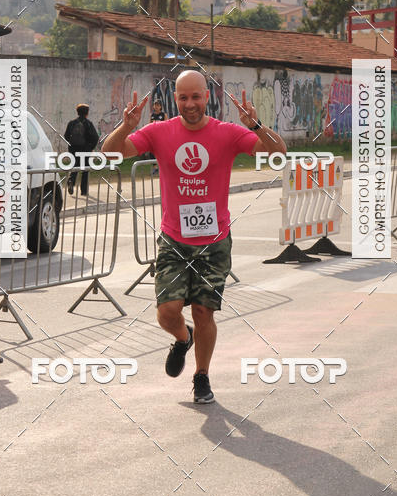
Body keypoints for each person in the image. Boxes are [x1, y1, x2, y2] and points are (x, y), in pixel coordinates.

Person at [103, 70, 286, 404]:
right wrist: (126, 126)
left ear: (207, 97)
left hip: (215, 240)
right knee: (167, 311)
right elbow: (110, 154)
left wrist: (255, 126)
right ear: (176, 99)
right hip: (174, 239)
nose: (190, 104)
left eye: (196, 97)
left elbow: (277, 153)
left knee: (204, 312)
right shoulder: (159, 132)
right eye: (183, 97)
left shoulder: (227, 134)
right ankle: (181, 336)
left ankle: (201, 376)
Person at [64, 103, 99, 196]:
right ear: (87, 113)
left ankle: (71, 181)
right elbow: (95, 137)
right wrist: (90, 148)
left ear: (77, 112)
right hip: (85, 150)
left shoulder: (71, 123)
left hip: (73, 150)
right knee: (85, 170)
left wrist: (72, 145)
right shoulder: (88, 124)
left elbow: (66, 136)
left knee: (75, 167)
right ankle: (84, 191)